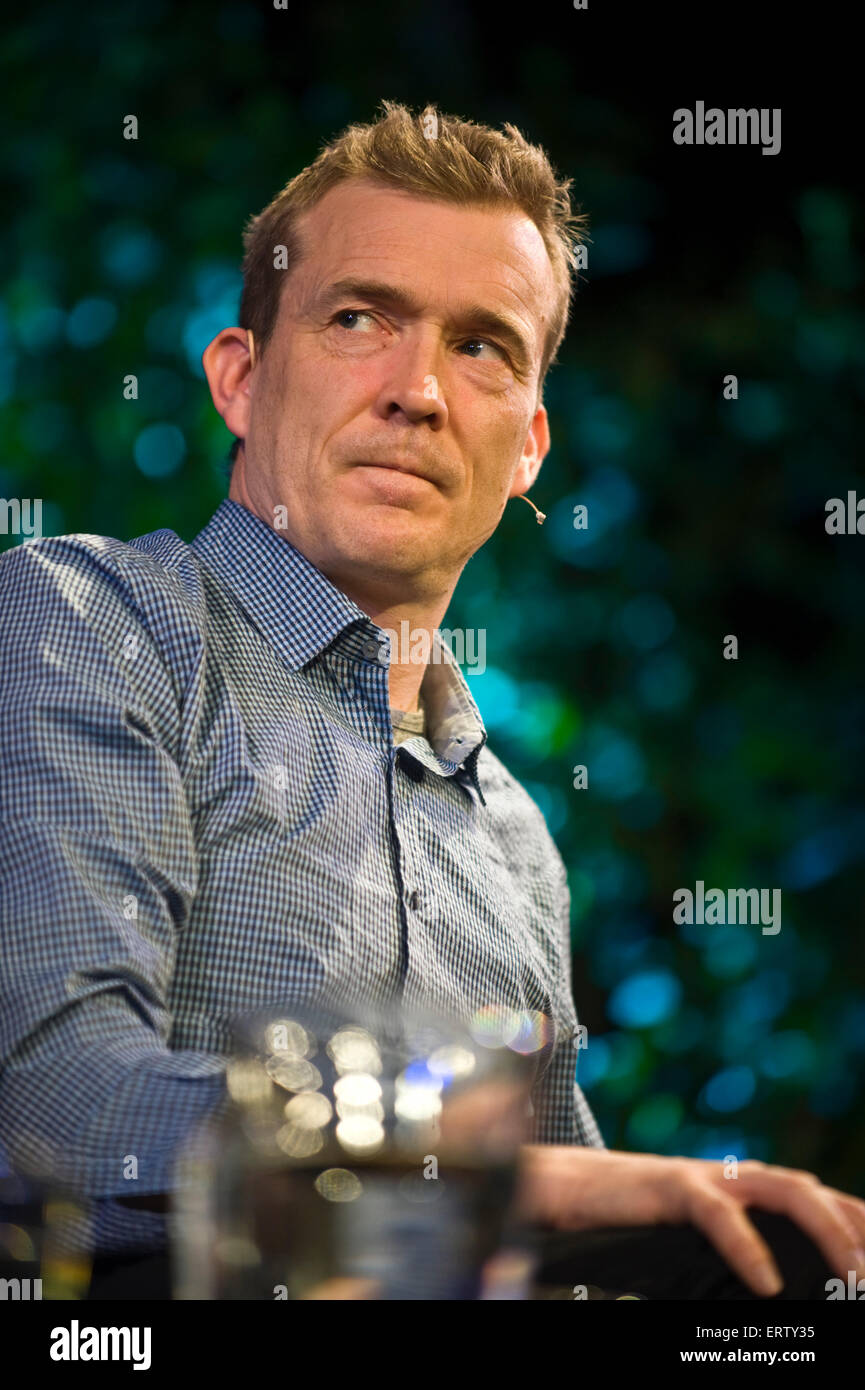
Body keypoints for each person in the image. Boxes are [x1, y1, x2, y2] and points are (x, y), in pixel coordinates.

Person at [1, 101, 863, 1301]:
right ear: (241, 379)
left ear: (526, 451)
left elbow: (576, 1240)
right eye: (360, 318)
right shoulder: (88, 624)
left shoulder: (516, 842)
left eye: (482, 348)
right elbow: (53, 1105)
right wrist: (478, 1165)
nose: (418, 392)